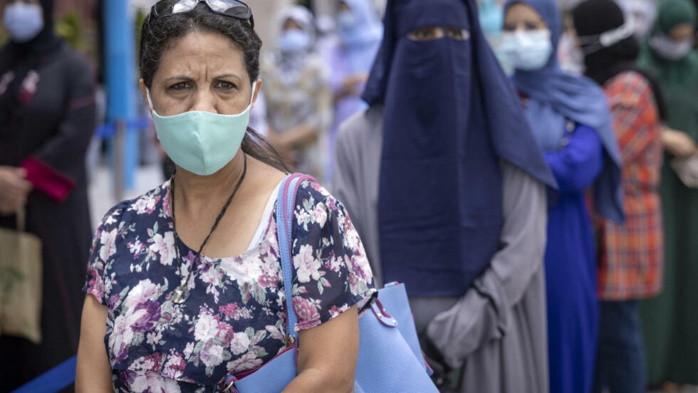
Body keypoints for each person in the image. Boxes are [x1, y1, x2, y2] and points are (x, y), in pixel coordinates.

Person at [76, 1, 375, 391]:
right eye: (180, 86)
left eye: (225, 85)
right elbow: (91, 377)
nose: (204, 108)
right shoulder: (120, 230)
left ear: (253, 95)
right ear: (147, 96)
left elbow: (330, 376)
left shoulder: (308, 217)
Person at [334, 0, 557, 392]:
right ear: (397, 44)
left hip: (492, 344)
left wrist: (455, 333)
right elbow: (348, 258)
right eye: (421, 36)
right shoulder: (358, 139)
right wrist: (397, 338)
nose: (439, 48)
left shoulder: (504, 130)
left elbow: (525, 242)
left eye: (456, 36)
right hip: (394, 357)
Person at [500, 0, 625, 392]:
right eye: (512, 27)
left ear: (553, 30)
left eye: (532, 26)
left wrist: (507, 159)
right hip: (500, 241)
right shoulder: (495, 94)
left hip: (562, 240)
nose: (521, 36)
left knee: (563, 344)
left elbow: (578, 167)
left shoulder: (582, 95)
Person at [0, 0, 96, 389]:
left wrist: (19, 180)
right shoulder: (3, 63)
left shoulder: (72, 67)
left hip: (54, 216)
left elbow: (76, 132)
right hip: (1, 212)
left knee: (55, 319)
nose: (17, 9)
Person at [572, 1, 665, 392]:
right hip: (609, 229)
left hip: (624, 229)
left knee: (620, 337)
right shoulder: (610, 83)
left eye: (580, 40)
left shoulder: (628, 87)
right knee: (606, 338)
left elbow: (601, 152)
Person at [637, 0, 698, 388]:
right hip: (651, 192)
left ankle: (681, 371)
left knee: (688, 280)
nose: (678, 44)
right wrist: (660, 136)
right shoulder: (641, 70)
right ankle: (650, 371)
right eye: (672, 36)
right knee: (655, 284)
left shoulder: (694, 68)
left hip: (689, 193)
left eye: (685, 38)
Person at [261, 6, 332, 182]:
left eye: (298, 28)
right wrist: (275, 143)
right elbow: (260, 108)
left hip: (308, 156)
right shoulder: (268, 66)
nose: (292, 34)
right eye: (288, 28)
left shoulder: (317, 68)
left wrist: (284, 142)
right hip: (273, 153)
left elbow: (322, 117)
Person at [325, 0, 382, 185]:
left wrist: (353, 82)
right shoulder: (337, 46)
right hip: (340, 122)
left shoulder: (379, 41)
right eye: (341, 10)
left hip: (373, 122)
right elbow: (327, 87)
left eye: (348, 9)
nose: (344, 15)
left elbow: (380, 81)